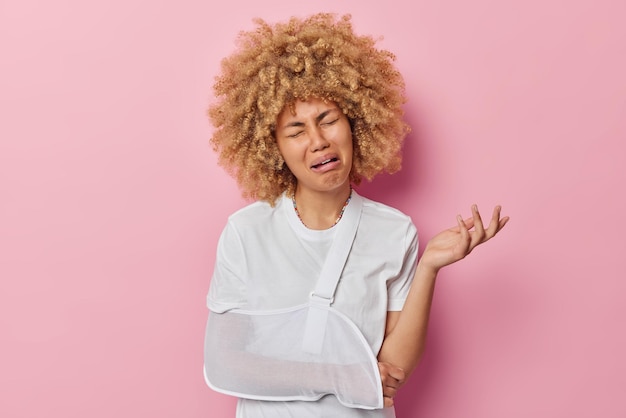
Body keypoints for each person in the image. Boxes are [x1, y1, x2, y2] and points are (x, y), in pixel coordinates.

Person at [203, 13, 509, 418]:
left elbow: (394, 371)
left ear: (356, 122)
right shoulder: (246, 232)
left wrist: (429, 267)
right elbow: (227, 363)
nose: (318, 141)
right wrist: (340, 376)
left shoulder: (394, 231)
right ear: (272, 147)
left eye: (328, 120)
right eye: (296, 131)